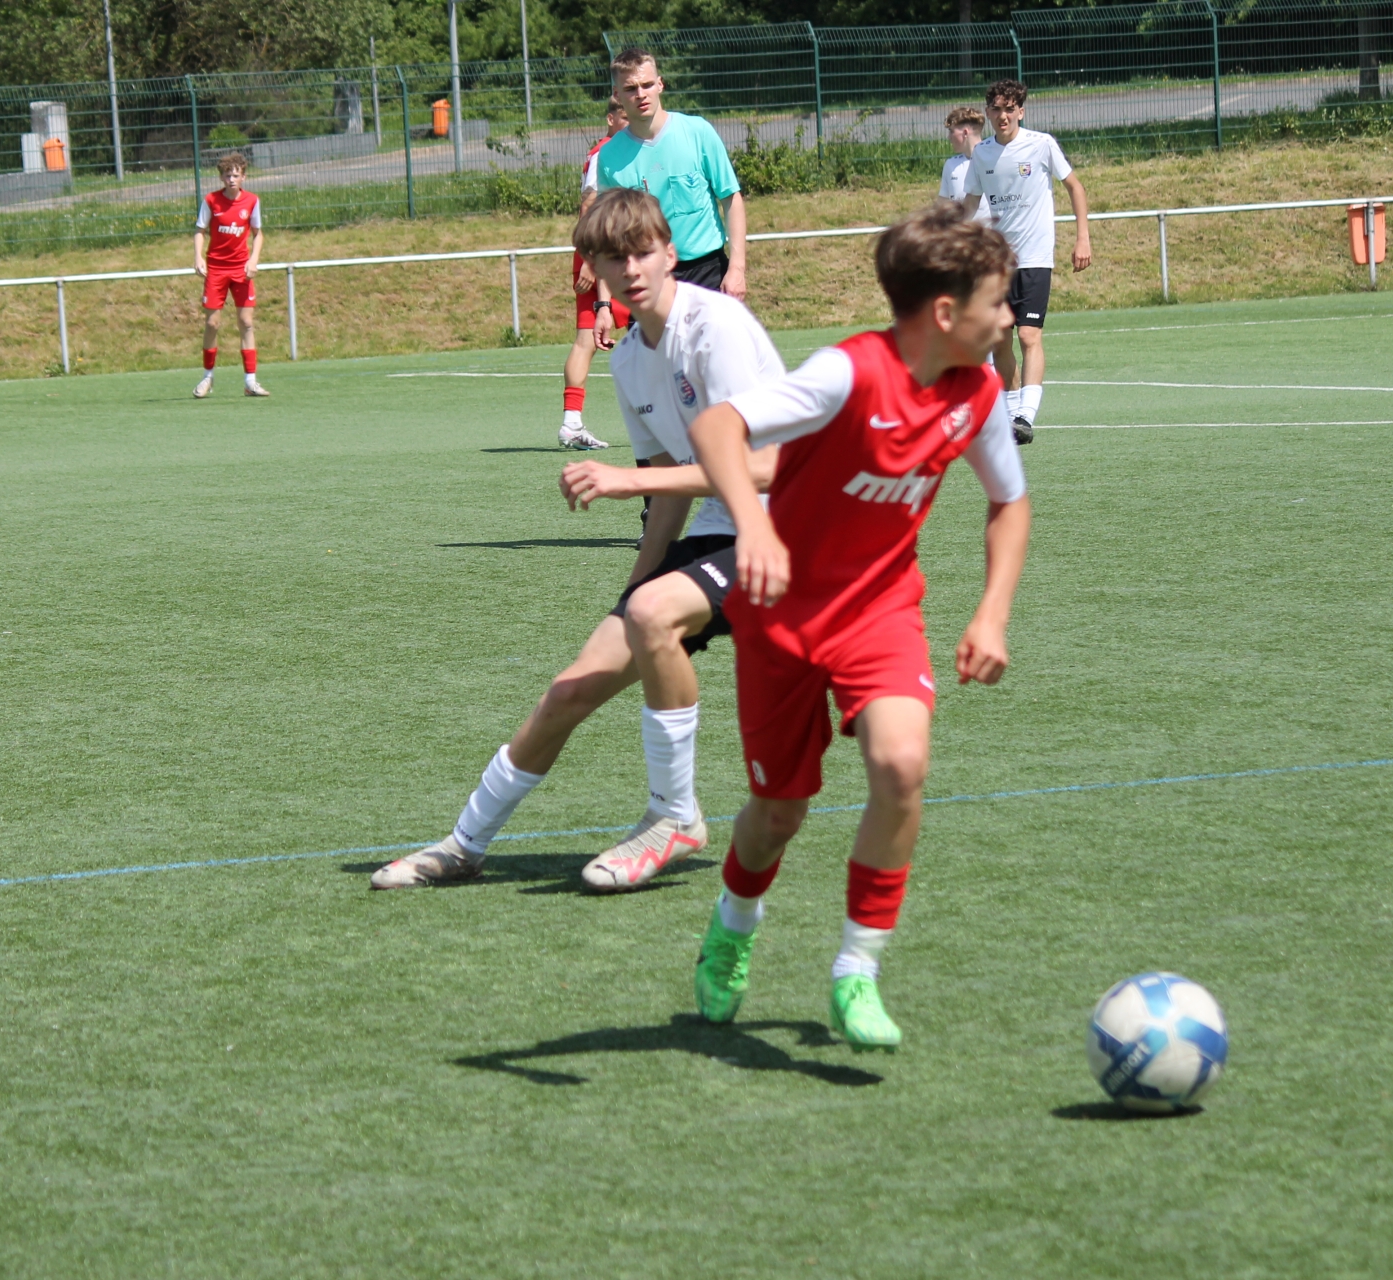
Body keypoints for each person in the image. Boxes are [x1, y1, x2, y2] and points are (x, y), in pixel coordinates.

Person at [684, 201, 1031, 1051]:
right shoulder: (846, 373)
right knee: (777, 813)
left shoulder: (980, 390)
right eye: (998, 301)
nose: (1010, 317)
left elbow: (1009, 502)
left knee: (901, 764)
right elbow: (718, 425)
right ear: (944, 313)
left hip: (881, 611)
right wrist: (753, 527)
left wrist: (992, 612)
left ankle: (857, 971)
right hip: (781, 617)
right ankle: (734, 924)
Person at [371, 189, 785, 893]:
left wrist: (627, 482)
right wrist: (634, 591)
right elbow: (668, 493)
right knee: (571, 688)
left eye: (643, 251)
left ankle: (674, 816)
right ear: (593, 270)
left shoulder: (715, 326)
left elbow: (774, 465)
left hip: (792, 526)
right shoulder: (628, 359)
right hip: (722, 531)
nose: (631, 269)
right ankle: (464, 845)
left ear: (671, 253)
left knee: (655, 618)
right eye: (612, 258)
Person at [587, 46, 747, 356]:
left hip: (707, 273)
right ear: (617, 95)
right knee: (655, 373)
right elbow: (610, 237)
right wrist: (604, 305)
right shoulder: (609, 157)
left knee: (719, 366)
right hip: (648, 279)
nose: (641, 94)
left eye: (647, 84)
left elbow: (731, 199)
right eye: (631, 88)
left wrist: (737, 268)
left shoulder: (698, 132)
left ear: (660, 84)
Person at [962, 79, 1091, 445]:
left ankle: (1025, 416)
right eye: (996, 109)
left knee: (1028, 334)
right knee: (999, 340)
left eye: (1009, 109)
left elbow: (1075, 187)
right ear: (988, 113)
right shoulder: (982, 154)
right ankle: (1009, 419)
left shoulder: (1041, 144)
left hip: (1034, 257)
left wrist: (1082, 237)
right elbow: (970, 203)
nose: (1002, 116)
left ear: (1021, 111)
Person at [559, 98, 632, 452]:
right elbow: (589, 203)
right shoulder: (606, 151)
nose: (631, 121)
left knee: (637, 334)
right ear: (611, 118)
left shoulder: (618, 149)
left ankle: (572, 424)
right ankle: (572, 423)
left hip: (611, 253)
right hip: (599, 255)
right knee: (587, 339)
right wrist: (590, 259)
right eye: (624, 115)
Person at [194, 152, 268, 399]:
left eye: (236, 175)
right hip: (216, 269)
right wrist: (198, 257)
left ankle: (250, 382)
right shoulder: (211, 200)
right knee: (212, 323)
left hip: (241, 270)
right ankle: (207, 377)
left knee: (246, 322)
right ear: (221, 177)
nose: (231, 179)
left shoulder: (252, 201)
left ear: (243, 177)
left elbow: (258, 234)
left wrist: (253, 260)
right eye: (227, 175)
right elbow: (199, 230)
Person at [938, 106, 991, 222]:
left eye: (952, 131)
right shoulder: (951, 165)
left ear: (965, 133)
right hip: (960, 231)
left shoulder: (992, 160)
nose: (949, 137)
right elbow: (942, 204)